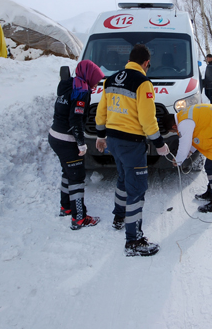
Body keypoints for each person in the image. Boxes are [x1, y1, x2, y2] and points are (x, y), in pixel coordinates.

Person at [95, 44, 170, 257]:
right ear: (146, 63)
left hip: (113, 141)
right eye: (149, 64)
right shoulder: (143, 83)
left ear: (129, 59)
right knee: (136, 188)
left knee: (122, 179)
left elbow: (102, 112)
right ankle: (134, 241)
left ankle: (119, 217)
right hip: (131, 143)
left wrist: (101, 136)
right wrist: (159, 143)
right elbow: (148, 119)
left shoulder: (111, 79)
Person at [48, 60, 105, 230]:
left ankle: (65, 207)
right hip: (66, 140)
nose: (95, 84)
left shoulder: (69, 84)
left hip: (55, 136)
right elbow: (75, 119)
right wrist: (81, 144)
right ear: (89, 76)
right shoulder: (81, 91)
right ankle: (79, 217)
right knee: (77, 177)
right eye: (95, 80)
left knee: (67, 172)